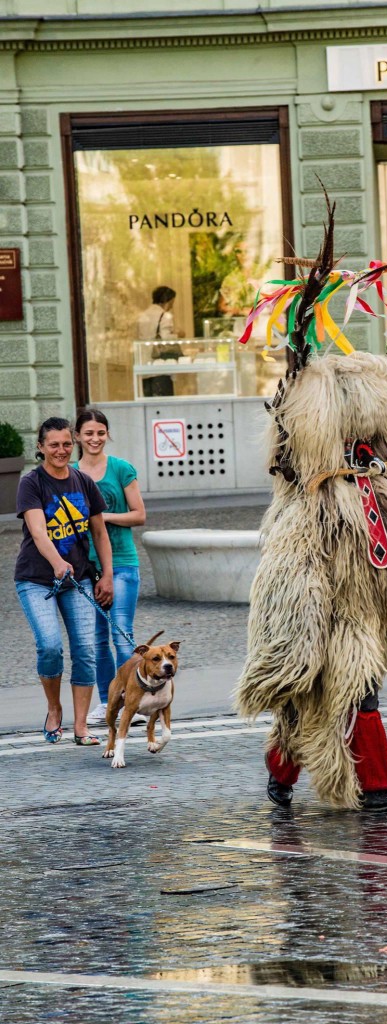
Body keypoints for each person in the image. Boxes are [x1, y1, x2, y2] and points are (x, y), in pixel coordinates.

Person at [14, 417, 114, 745]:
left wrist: (107, 576)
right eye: (54, 445)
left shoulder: (84, 482)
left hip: (79, 579)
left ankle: (81, 727)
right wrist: (58, 562)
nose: (61, 450)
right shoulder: (32, 483)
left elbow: (99, 532)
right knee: (50, 646)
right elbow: (39, 531)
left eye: (67, 444)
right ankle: (54, 708)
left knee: (85, 650)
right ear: (40, 447)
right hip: (36, 578)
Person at [72, 409, 147, 728]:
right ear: (77, 436)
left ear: (107, 435)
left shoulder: (121, 469)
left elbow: (139, 514)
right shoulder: (70, 472)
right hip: (86, 567)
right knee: (97, 640)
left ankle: (133, 699)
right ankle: (106, 703)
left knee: (122, 636)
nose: (95, 438)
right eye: (88, 433)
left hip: (122, 564)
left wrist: (103, 518)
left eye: (100, 432)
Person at [137, 285, 179, 398]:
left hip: (145, 366)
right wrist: (178, 335)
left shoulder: (143, 315)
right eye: (172, 302)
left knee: (150, 402)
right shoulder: (165, 315)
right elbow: (166, 339)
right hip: (160, 365)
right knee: (164, 403)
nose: (171, 306)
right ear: (167, 300)